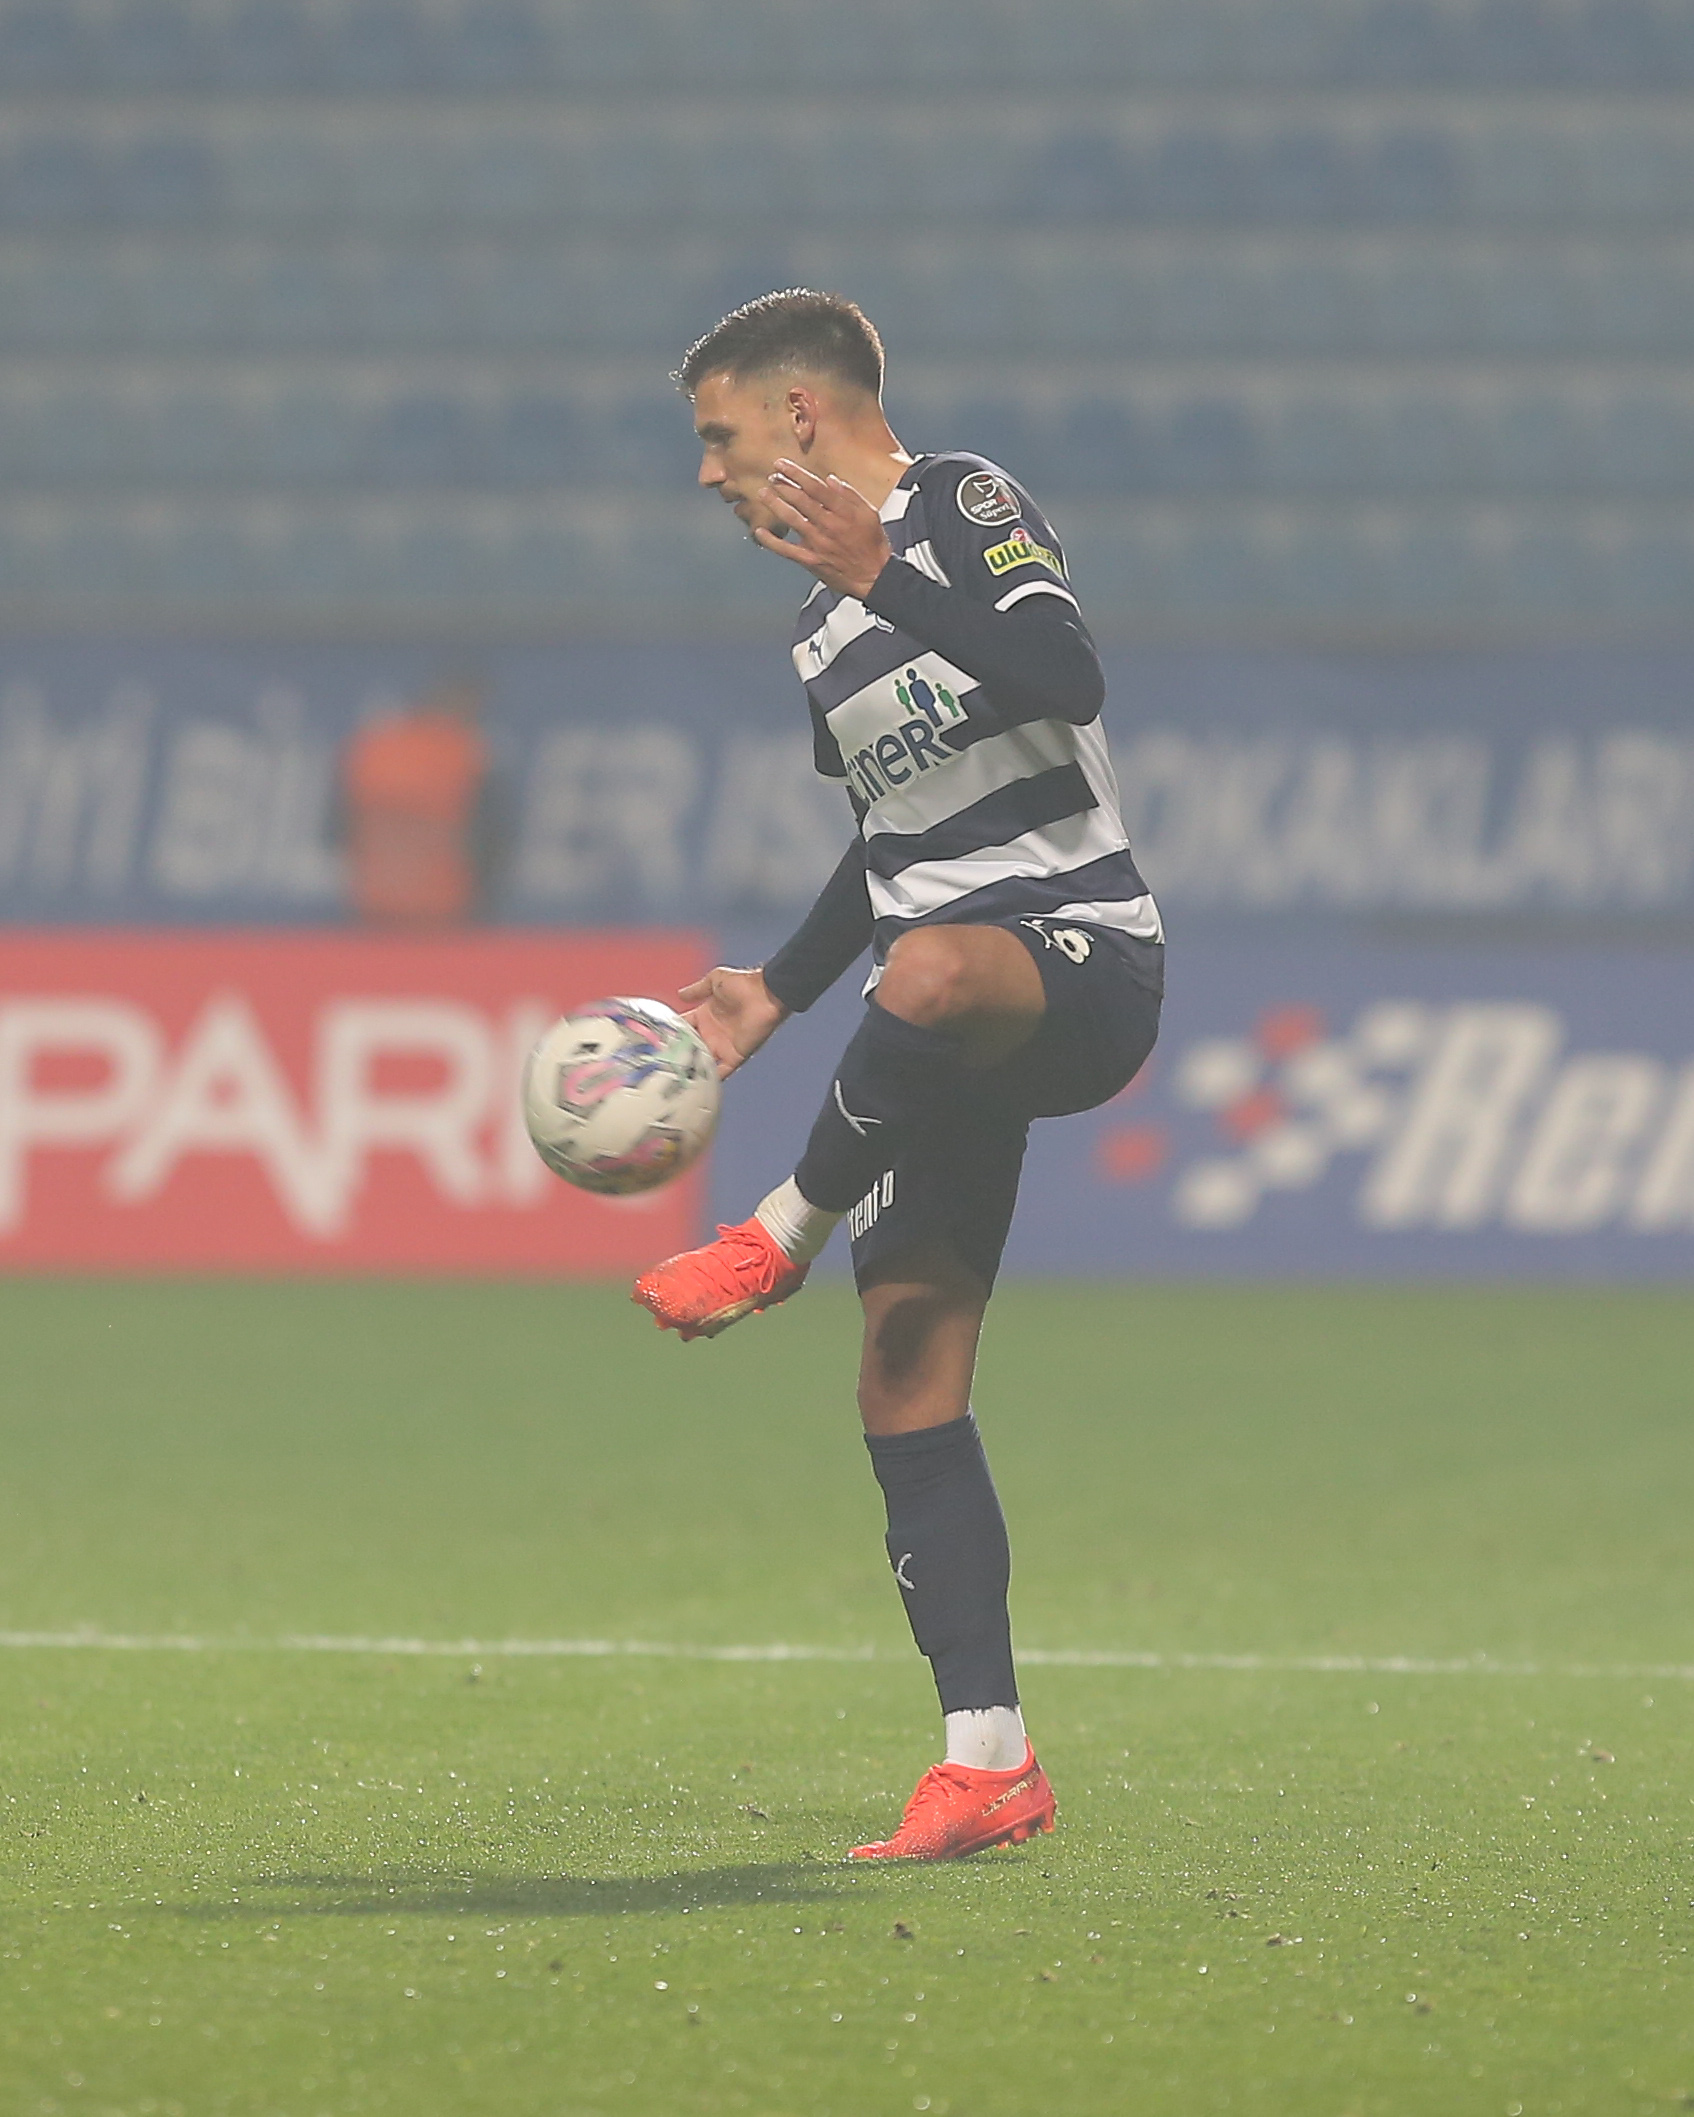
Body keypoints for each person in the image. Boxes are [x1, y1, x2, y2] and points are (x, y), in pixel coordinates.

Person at [633, 290, 1163, 1861]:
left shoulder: (959, 504)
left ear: (799, 415)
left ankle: (775, 1232)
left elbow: (1064, 673)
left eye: (719, 436)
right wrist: (775, 989)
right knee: (905, 1372)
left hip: (1076, 956)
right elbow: (892, 839)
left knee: (928, 967)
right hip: (932, 1010)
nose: (707, 473)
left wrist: (886, 572)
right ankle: (987, 1759)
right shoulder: (815, 626)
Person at [339, 678, 500, 926]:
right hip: (442, 909)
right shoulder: (464, 754)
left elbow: (341, 829)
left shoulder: (373, 749)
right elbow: (489, 838)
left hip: (374, 903)